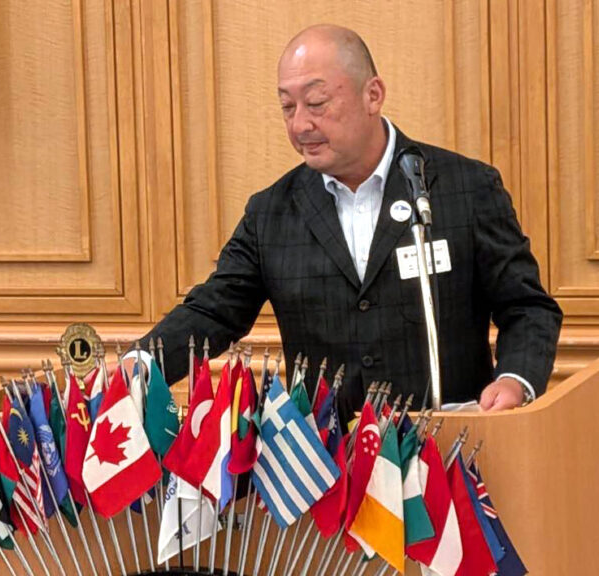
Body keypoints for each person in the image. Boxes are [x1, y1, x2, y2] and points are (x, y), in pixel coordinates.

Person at [138, 24, 562, 421]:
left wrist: (516, 379)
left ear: (372, 95)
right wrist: (138, 368)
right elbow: (213, 311)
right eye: (287, 107)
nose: (300, 124)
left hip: (449, 449)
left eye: (316, 103)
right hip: (325, 459)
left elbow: (526, 306)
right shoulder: (270, 212)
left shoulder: (465, 188)